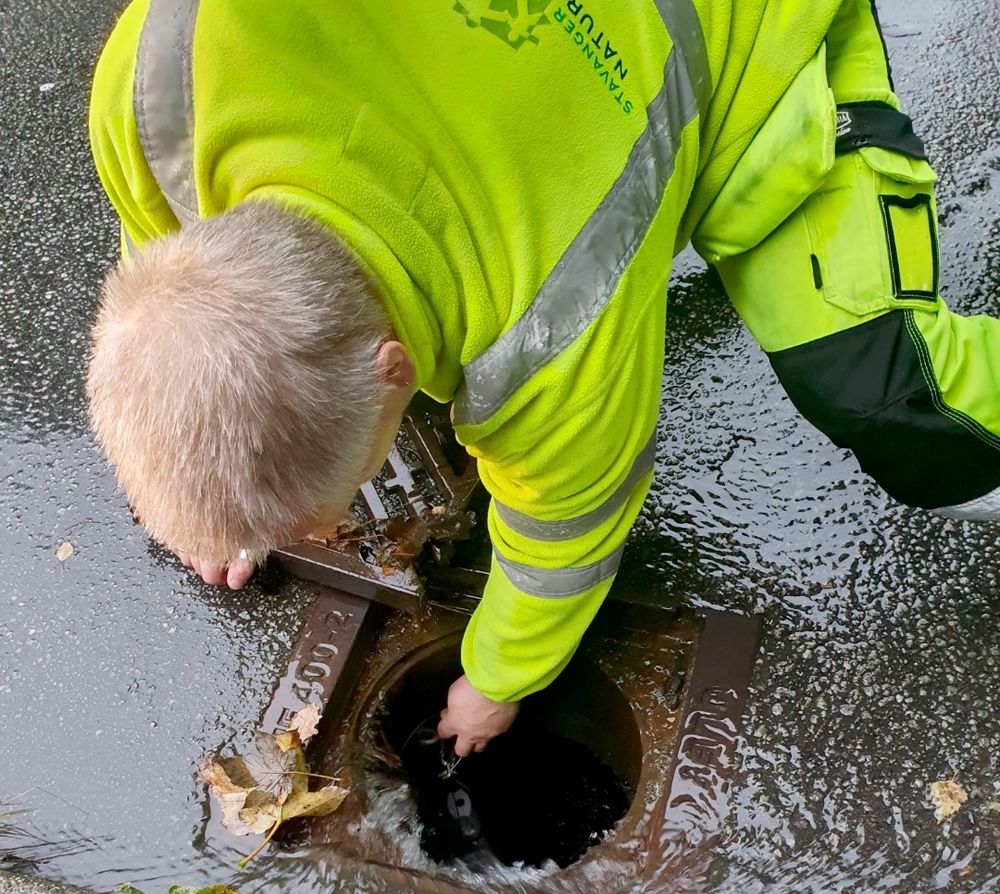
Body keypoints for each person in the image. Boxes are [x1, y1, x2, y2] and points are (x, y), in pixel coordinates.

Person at [87, 1, 1000, 758]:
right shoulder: (158, 76)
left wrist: (495, 680)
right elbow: (165, 263)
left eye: (329, 507)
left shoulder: (556, 332)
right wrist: (218, 506)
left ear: (391, 364)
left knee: (893, 398)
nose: (330, 533)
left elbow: (564, 536)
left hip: (749, 40)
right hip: (517, 95)